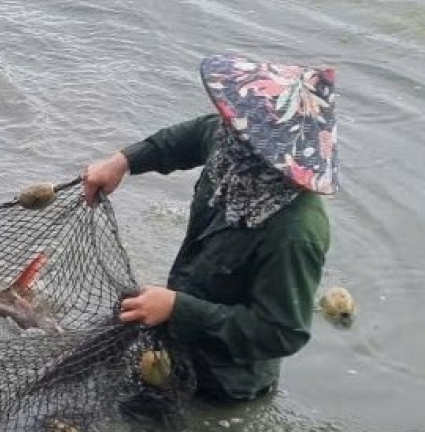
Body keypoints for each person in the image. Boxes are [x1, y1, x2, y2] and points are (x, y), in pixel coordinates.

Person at [81, 54, 338, 405]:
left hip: (225, 379)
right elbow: (192, 136)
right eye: (231, 125)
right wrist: (123, 161)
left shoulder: (294, 233)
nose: (225, 131)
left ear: (267, 152)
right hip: (179, 330)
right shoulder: (233, 148)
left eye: (237, 130)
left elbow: (281, 333)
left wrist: (178, 308)